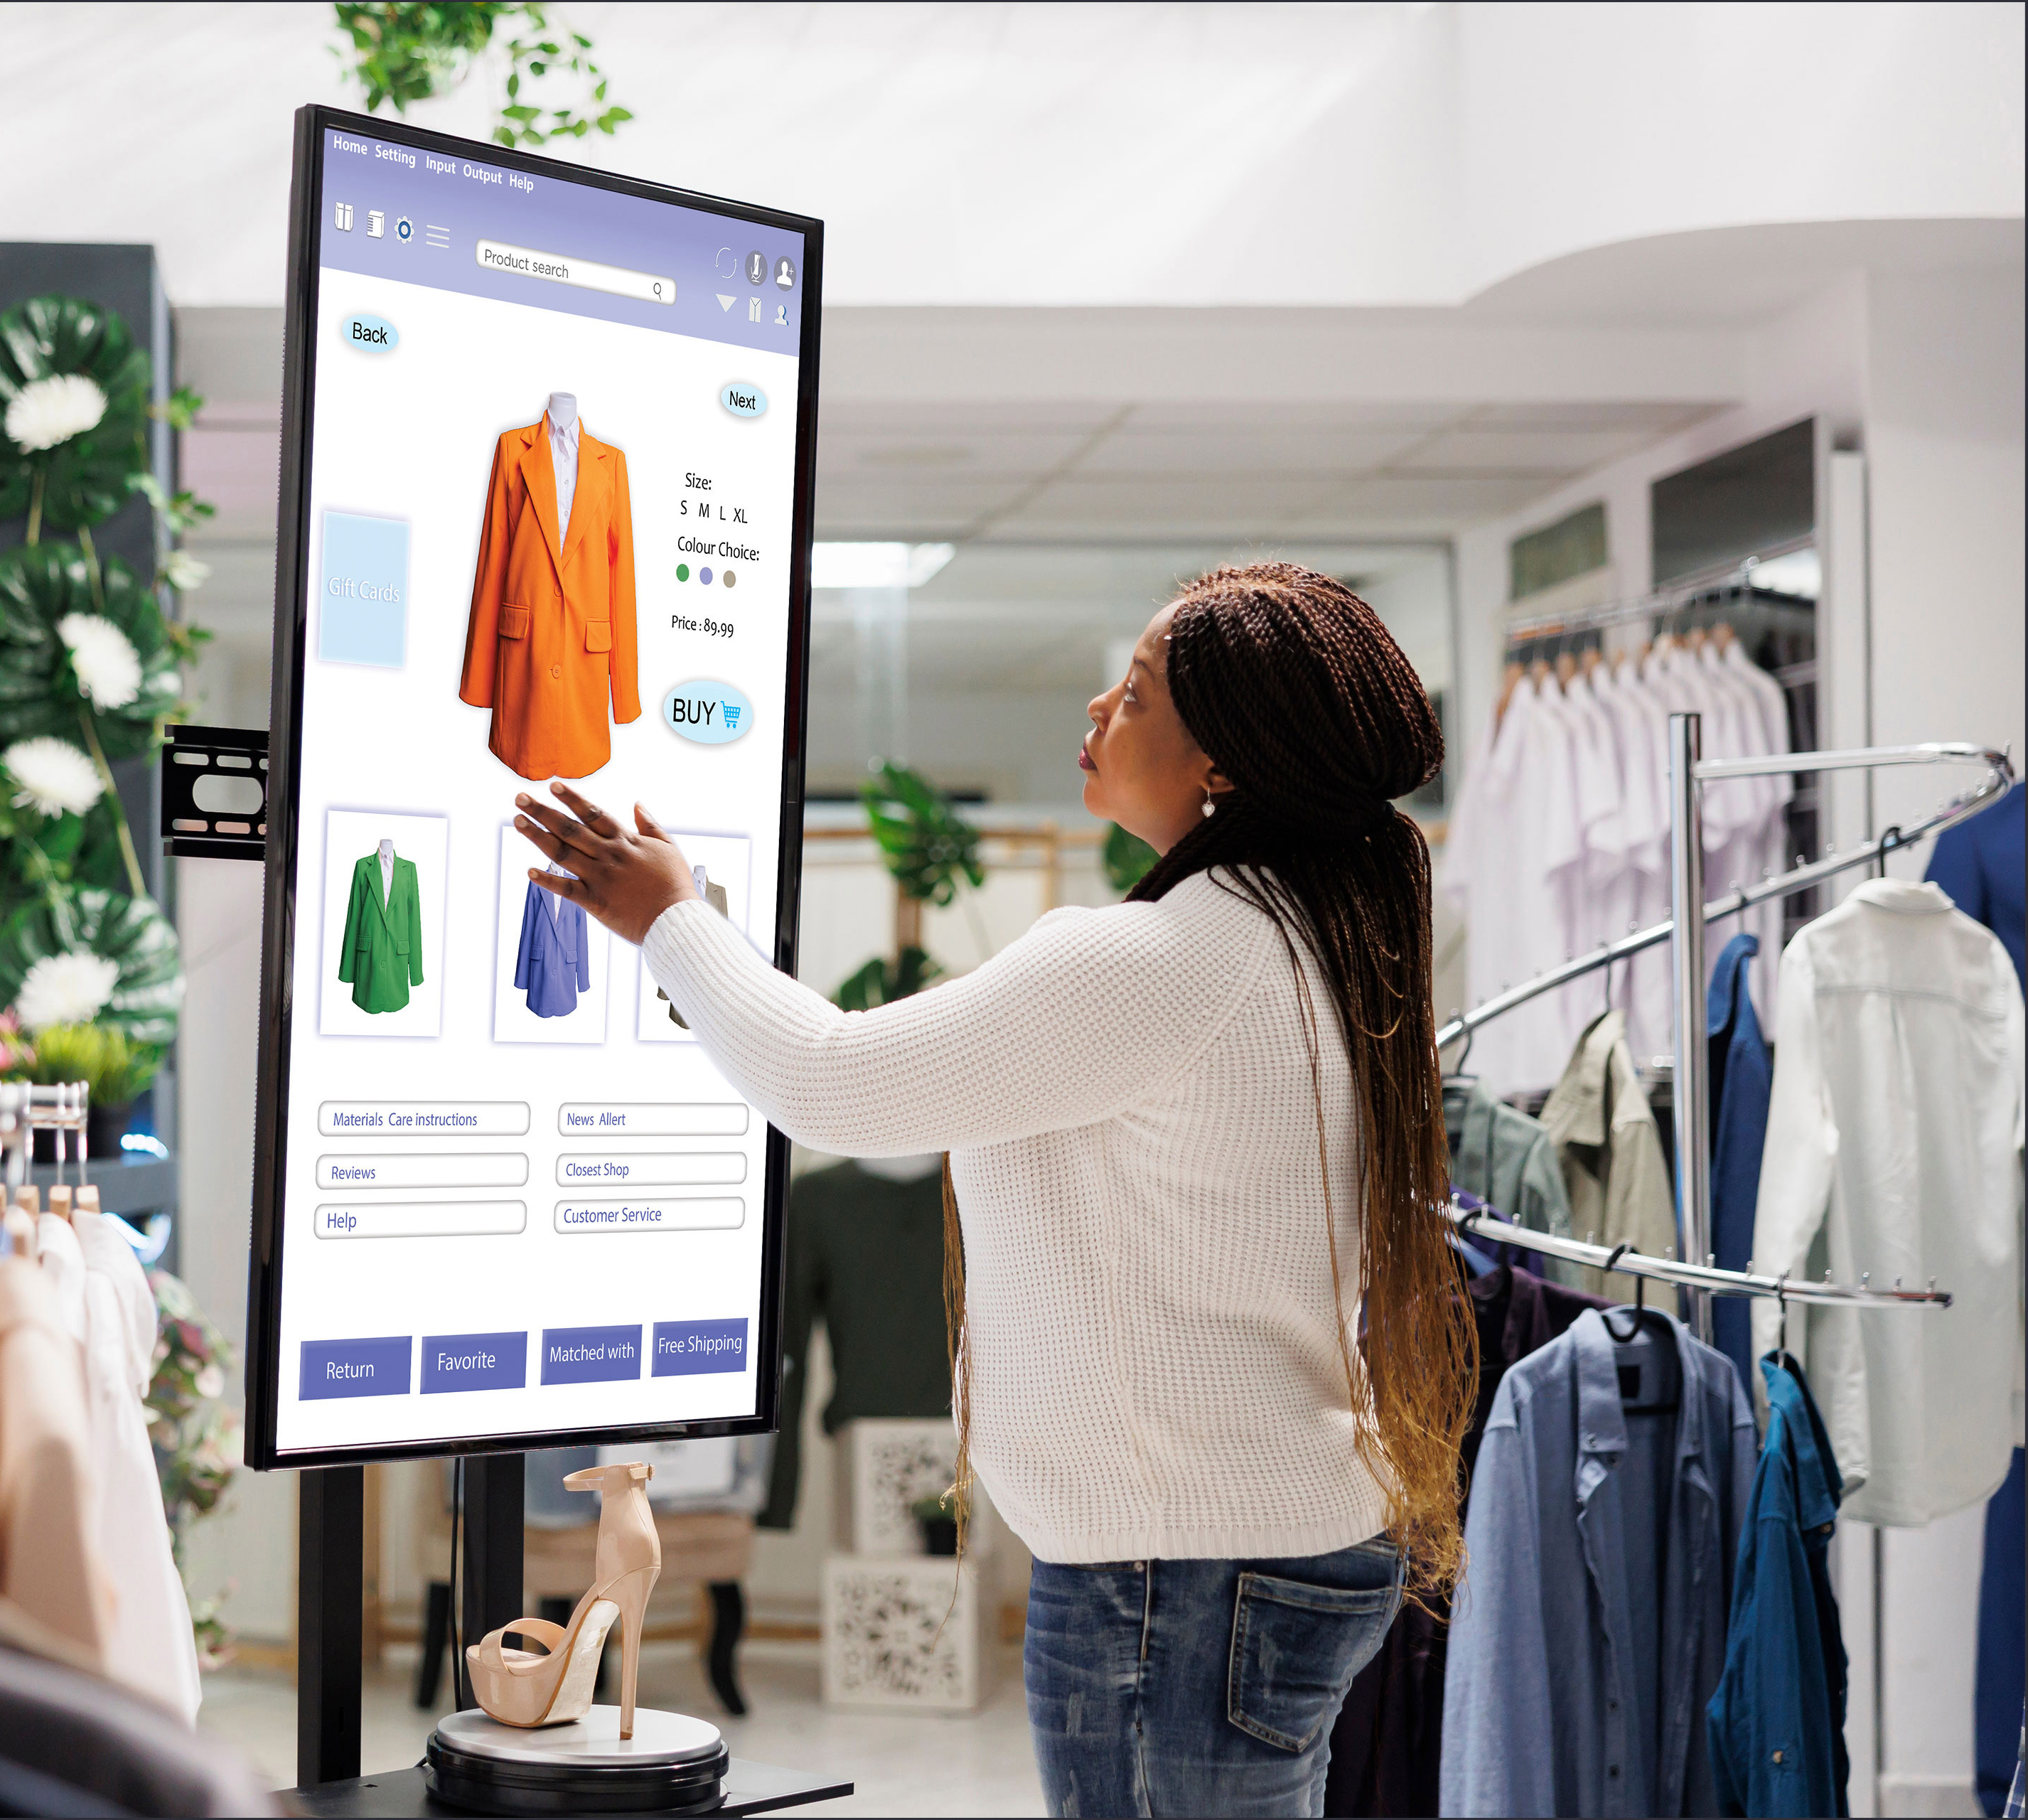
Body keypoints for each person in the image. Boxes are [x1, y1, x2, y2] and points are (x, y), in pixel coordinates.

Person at [515, 562, 1473, 1819]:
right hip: (1248, 1550)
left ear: (1224, 767)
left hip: (1176, 1575)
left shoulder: (1157, 960)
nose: (1093, 710)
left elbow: (833, 1083)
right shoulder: (1307, 940)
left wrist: (674, 921)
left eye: (1134, 696)